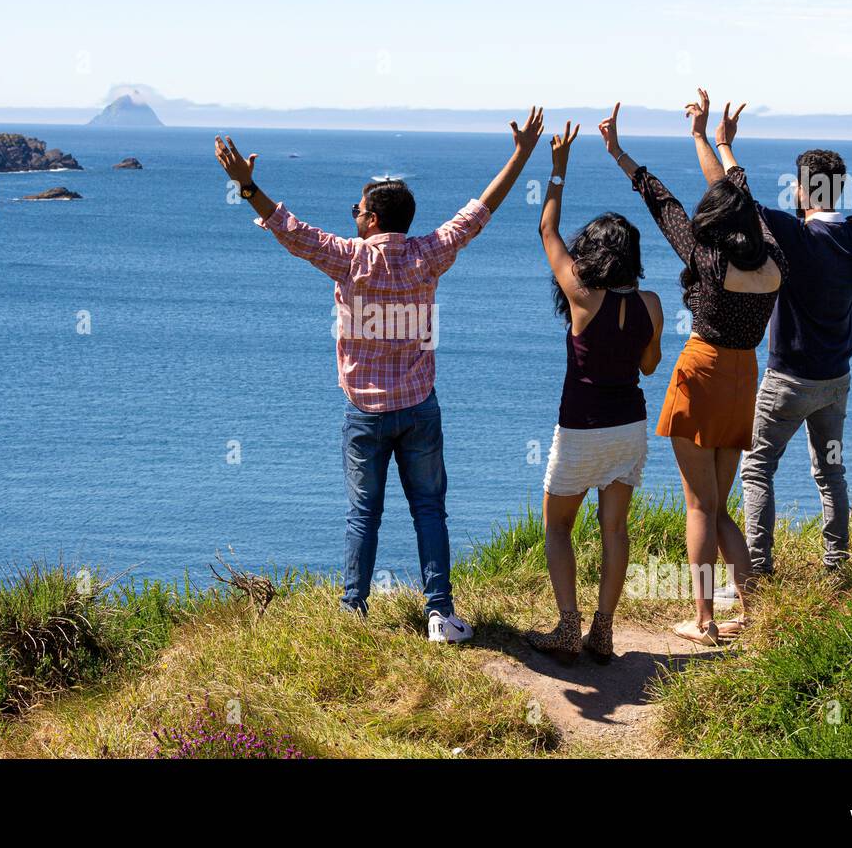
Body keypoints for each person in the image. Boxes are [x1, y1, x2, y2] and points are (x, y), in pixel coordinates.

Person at [212, 108, 545, 643]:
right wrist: (522, 154)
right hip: (418, 407)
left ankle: (353, 611)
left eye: (357, 208)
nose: (353, 213)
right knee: (430, 510)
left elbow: (289, 230)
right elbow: (481, 210)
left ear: (371, 219)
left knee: (363, 514)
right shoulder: (429, 255)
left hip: (364, 412)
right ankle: (439, 615)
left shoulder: (348, 259)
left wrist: (248, 188)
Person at [601, 101, 788, 646]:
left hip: (702, 370)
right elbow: (741, 199)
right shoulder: (774, 259)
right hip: (745, 378)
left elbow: (666, 208)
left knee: (699, 505)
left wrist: (620, 156)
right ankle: (753, 612)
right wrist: (715, 141)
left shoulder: (708, 261)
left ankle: (704, 620)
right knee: (718, 504)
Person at [689, 90, 852, 579]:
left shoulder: (794, 235)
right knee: (831, 473)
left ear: (802, 192)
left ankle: (758, 573)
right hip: (835, 383)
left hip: (787, 383)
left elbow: (730, 199)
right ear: (840, 190)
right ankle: (836, 569)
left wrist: (720, 143)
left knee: (758, 468)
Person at [525, 121, 663, 664]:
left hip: (581, 428)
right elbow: (649, 367)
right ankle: (603, 631)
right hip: (629, 427)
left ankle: (567, 628)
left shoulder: (583, 295)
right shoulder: (650, 303)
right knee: (615, 530)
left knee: (557, 526)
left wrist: (558, 168)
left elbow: (546, 230)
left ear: (595, 252)